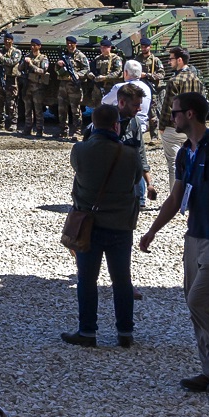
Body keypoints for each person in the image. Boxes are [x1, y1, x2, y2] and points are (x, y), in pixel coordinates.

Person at [139, 91, 209, 396]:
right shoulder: (187, 152)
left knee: (200, 301)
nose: (171, 117)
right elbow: (176, 198)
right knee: (196, 306)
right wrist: (152, 231)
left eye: (175, 112)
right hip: (195, 237)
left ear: (190, 115)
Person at [64, 104, 144, 348]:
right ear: (116, 125)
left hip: (89, 223)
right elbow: (136, 179)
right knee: (122, 280)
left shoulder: (80, 150)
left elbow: (78, 171)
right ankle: (125, 332)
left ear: (93, 125)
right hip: (121, 225)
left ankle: (87, 331)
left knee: (87, 280)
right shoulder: (130, 154)